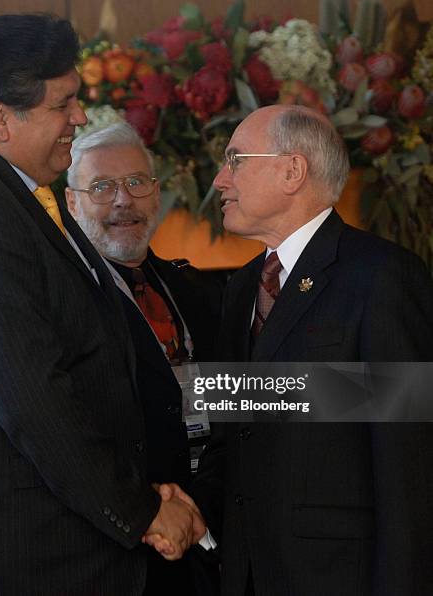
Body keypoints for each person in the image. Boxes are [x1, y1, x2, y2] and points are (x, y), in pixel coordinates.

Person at [0, 14, 202, 595]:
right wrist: (140, 510)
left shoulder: (23, 193)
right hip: (17, 557)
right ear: (0, 117)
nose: (80, 118)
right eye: (62, 104)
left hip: (62, 543)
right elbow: (33, 399)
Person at [157, 104, 433, 595]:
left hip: (340, 575)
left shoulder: (382, 277)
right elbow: (233, 434)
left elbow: (408, 463)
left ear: (292, 170)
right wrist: (188, 508)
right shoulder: (242, 287)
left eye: (236, 159)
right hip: (246, 572)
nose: (220, 179)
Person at [65, 122, 222, 595]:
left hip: (212, 541)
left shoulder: (197, 289)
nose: (122, 200)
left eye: (136, 182)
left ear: (156, 194)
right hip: (120, 552)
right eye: (102, 187)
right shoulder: (61, 305)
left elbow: (237, 402)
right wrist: (149, 511)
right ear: (71, 203)